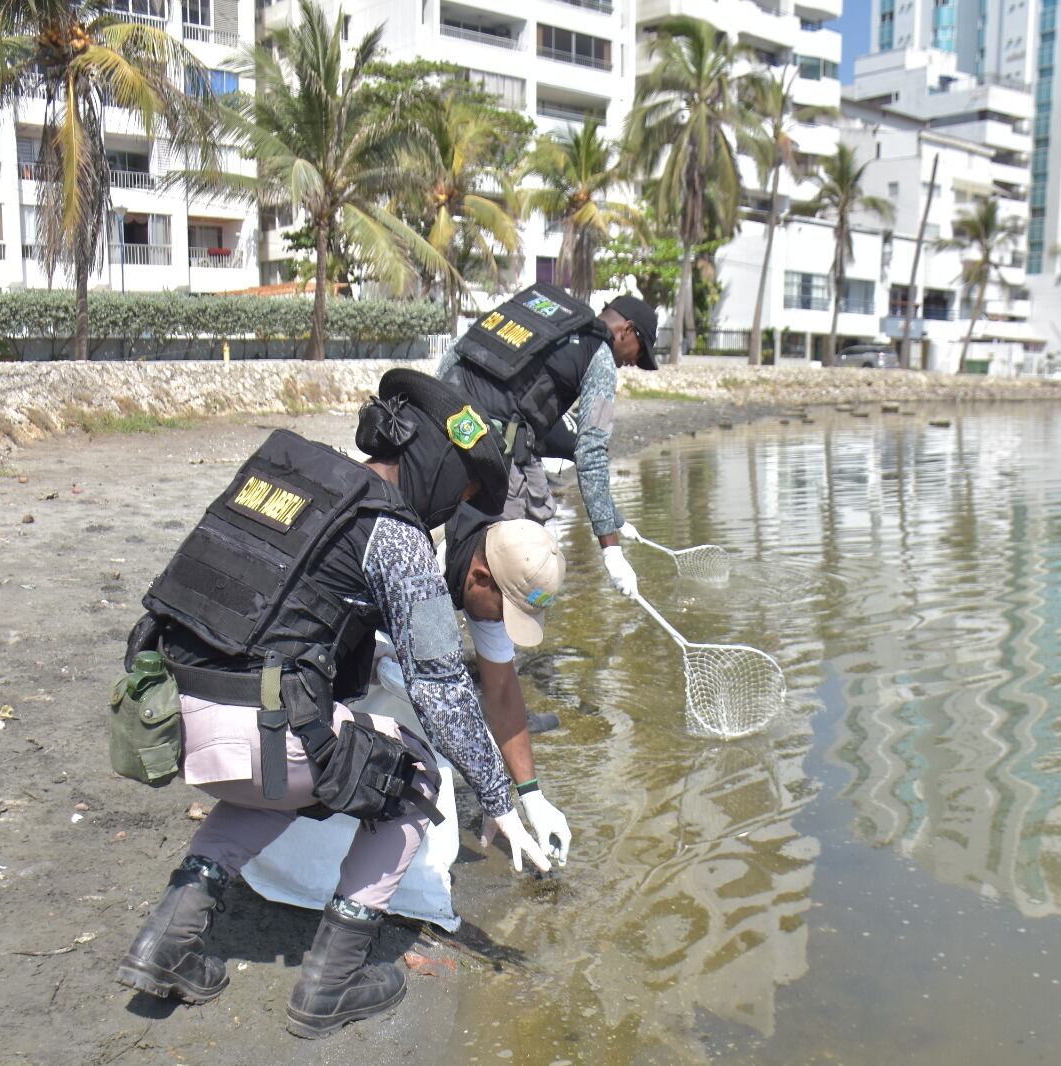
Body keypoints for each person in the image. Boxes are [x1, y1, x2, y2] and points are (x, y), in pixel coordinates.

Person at [114, 369, 552, 1040]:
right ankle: (331, 983)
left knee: (282, 779)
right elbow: (440, 684)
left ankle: (164, 944)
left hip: (170, 713)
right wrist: (499, 797)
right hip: (256, 729)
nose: (449, 511)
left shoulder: (288, 477)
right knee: (412, 777)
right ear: (435, 463)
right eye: (460, 491)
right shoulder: (393, 533)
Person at [438, 285, 660, 601]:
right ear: (627, 331)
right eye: (640, 354)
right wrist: (611, 551)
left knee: (524, 511)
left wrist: (613, 518)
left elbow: (459, 353)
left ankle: (448, 567)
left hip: (451, 425)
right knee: (511, 570)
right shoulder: (600, 357)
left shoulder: (544, 318)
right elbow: (591, 451)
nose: (632, 364)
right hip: (492, 453)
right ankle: (484, 626)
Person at [442, 509, 572, 864]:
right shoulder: (419, 560)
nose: (502, 623)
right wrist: (493, 791)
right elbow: (434, 698)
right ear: (481, 578)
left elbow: (500, 690)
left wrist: (531, 796)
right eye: (505, 612)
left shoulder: (489, 577)